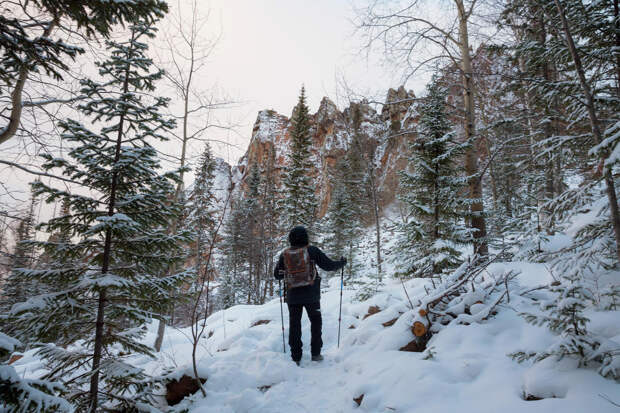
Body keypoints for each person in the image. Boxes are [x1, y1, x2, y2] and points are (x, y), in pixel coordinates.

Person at [274, 226, 346, 365]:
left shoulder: (285, 254)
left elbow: (277, 275)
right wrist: (342, 263)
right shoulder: (312, 250)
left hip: (293, 296)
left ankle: (296, 356)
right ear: (306, 237)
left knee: (295, 324)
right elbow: (328, 266)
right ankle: (316, 353)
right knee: (316, 322)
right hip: (311, 294)